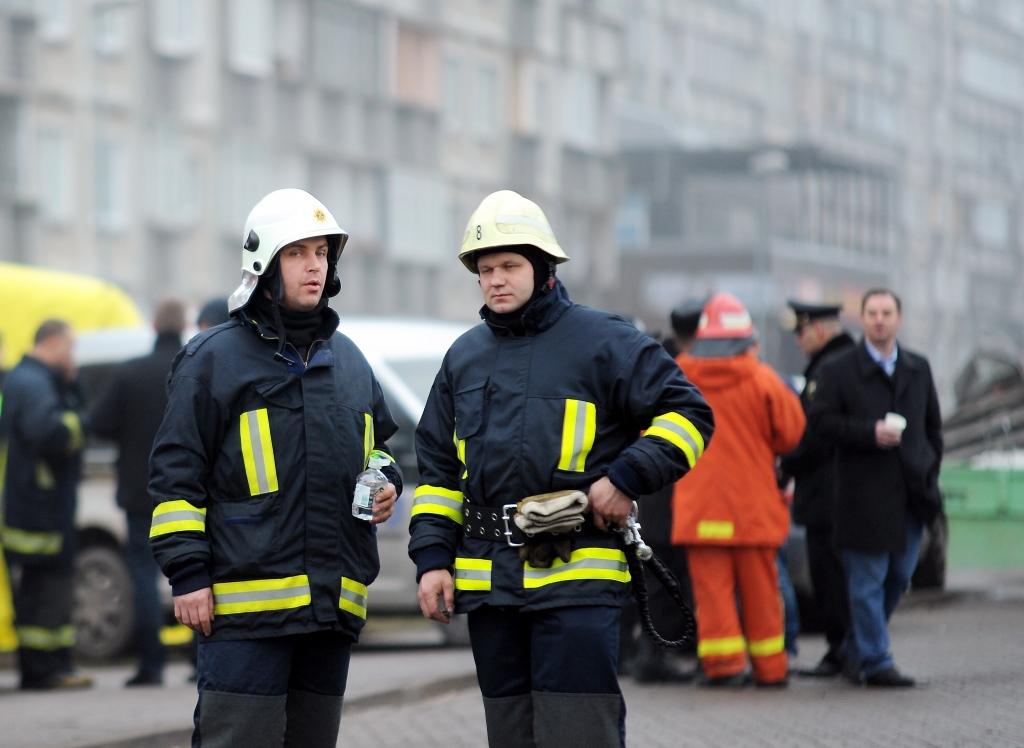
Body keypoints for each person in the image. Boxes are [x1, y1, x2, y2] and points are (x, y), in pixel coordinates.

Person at [410, 190, 714, 748]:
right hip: (488, 589)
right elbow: (437, 471)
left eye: (510, 266)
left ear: (543, 268)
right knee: (510, 736)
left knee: (579, 734)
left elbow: (691, 413)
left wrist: (627, 477)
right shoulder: (463, 358)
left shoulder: (605, 341)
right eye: (485, 270)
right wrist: (432, 560)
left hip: (577, 582)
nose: (496, 279)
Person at [149, 188, 403, 747]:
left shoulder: (352, 362)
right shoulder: (212, 359)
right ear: (264, 266)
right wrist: (188, 574)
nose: (314, 266)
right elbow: (176, 476)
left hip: (330, 609)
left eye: (322, 253)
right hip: (244, 614)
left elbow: (380, 448)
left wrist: (386, 481)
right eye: (298, 253)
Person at [808, 288, 942, 688]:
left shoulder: (918, 367)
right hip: (863, 495)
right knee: (866, 580)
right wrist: (869, 433)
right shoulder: (839, 369)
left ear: (899, 319)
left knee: (898, 576)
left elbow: (933, 428)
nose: (879, 320)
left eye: (886, 312)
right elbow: (821, 422)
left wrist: (928, 465)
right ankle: (875, 660)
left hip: (912, 493)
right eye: (872, 313)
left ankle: (856, 645)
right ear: (862, 320)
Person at [672, 293, 805, 687]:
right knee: (763, 593)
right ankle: (770, 669)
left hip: (701, 509)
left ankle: (724, 668)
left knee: (712, 595)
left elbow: (654, 434)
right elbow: (791, 434)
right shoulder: (765, 380)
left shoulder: (679, 375)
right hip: (753, 509)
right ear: (748, 338)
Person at [88, 299, 187, 686]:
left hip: (140, 493)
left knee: (144, 576)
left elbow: (98, 423)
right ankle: (202, 659)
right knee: (196, 569)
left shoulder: (130, 374)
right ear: (185, 326)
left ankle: (152, 664)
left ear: (153, 324)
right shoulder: (196, 367)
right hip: (191, 492)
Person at [0, 320, 93, 690]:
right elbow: (49, 433)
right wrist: (81, 424)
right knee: (45, 590)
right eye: (70, 347)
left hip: (42, 506)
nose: (73, 355)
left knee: (48, 589)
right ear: (52, 343)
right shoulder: (33, 384)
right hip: (37, 510)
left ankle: (54, 665)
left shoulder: (36, 380)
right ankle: (44, 670)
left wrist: (72, 384)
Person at [629, 298, 706, 683]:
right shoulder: (678, 370)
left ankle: (653, 652)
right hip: (667, 493)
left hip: (656, 492)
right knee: (669, 579)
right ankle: (654, 655)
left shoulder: (658, 363)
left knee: (658, 580)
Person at [778, 300, 856, 677]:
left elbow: (810, 434)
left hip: (828, 495)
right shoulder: (845, 362)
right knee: (836, 575)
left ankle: (842, 648)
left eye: (801, 331)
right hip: (837, 494)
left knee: (831, 575)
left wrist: (785, 463)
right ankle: (842, 647)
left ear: (819, 331)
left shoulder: (829, 368)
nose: (798, 340)